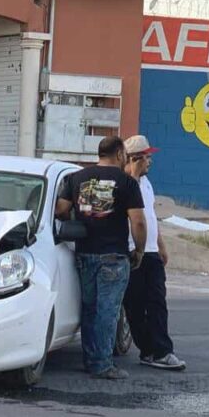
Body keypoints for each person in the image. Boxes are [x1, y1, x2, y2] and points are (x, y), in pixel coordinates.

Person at [55, 136, 147, 380]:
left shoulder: (75, 179)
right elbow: (137, 221)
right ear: (119, 154)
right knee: (108, 310)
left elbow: (61, 210)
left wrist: (76, 221)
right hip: (113, 256)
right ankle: (103, 364)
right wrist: (139, 250)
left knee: (89, 309)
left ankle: (90, 359)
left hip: (85, 253)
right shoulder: (127, 182)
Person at [122, 135, 187, 371]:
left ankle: (162, 350)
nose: (150, 161)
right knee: (135, 305)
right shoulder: (126, 183)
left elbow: (150, 217)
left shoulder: (147, 184)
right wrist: (135, 174)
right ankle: (148, 350)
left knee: (157, 302)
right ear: (135, 159)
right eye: (146, 157)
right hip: (133, 251)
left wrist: (161, 246)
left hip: (150, 253)